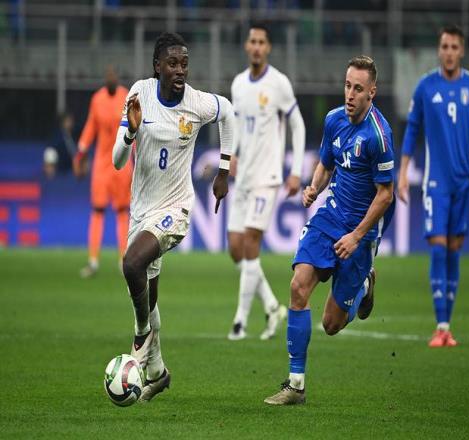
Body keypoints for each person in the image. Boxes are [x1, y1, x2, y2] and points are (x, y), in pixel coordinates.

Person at [265, 55, 395, 405]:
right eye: (347, 86)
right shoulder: (334, 120)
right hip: (331, 216)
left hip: (361, 230)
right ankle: (296, 385)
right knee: (298, 286)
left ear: (372, 92)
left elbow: (385, 195)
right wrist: (314, 187)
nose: (350, 94)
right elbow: (325, 164)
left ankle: (365, 283)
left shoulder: (379, 136)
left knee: (331, 324)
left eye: (358, 89)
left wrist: (356, 236)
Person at [112, 32, 233, 402]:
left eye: (184, 63)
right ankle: (158, 372)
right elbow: (117, 161)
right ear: (157, 66)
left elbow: (227, 112)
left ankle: (140, 334)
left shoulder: (196, 103)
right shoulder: (140, 94)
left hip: (175, 210)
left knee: (131, 264)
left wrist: (224, 170)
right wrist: (130, 133)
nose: (180, 70)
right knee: (146, 290)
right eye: (173, 63)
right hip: (141, 210)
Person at [398, 25, 469, 348]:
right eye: (444, 46)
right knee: (438, 247)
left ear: (461, 51)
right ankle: (440, 326)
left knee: (454, 250)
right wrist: (403, 172)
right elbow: (412, 130)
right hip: (436, 183)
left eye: (454, 47)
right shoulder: (425, 86)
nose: (449, 52)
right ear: (438, 50)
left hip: (463, 182)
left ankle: (446, 327)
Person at [227, 23, 306, 341]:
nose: (257, 46)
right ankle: (272, 306)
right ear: (247, 46)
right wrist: (231, 154)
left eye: (262, 42)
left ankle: (240, 323)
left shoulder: (279, 84)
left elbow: (298, 125)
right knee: (235, 248)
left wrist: (296, 170)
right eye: (253, 41)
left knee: (250, 242)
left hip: (268, 177)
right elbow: (234, 125)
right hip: (244, 176)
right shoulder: (238, 84)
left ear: (268, 47)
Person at [73, 65, 132, 278]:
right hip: (102, 164)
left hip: (122, 163)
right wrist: (81, 152)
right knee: (97, 210)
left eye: (113, 75)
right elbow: (91, 127)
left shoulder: (127, 97)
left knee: (122, 211)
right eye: (108, 76)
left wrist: (139, 156)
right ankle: (93, 261)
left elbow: (135, 128)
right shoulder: (97, 99)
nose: (111, 79)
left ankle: (124, 260)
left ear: (118, 78)